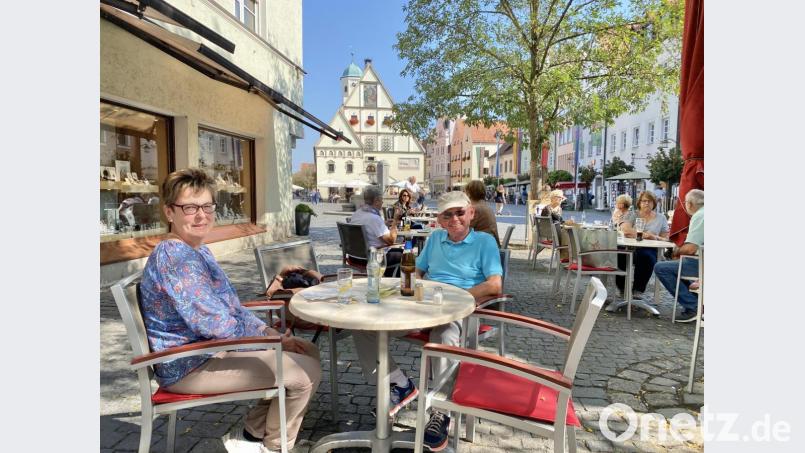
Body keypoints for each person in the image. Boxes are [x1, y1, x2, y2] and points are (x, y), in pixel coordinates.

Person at [139, 168, 321, 453]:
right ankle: (275, 447)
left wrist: (266, 331)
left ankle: (251, 435)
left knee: (306, 352)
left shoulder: (197, 250)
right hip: (189, 363)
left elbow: (231, 309)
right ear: (169, 212)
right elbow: (214, 323)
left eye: (207, 206)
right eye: (189, 207)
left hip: (212, 350)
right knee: (303, 373)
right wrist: (273, 339)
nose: (201, 215)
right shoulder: (175, 257)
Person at [351, 191, 503, 451]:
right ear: (440, 220)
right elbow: (418, 269)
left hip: (459, 312)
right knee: (364, 325)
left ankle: (440, 413)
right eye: (447, 214)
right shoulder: (434, 239)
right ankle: (399, 383)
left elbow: (494, 286)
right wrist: (413, 285)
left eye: (459, 212)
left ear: (471, 214)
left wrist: (454, 298)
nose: (454, 218)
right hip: (423, 307)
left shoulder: (485, 242)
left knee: (444, 336)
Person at [653, 189, 704, 322]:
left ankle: (694, 306)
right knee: (677, 265)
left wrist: (675, 251)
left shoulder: (700, 215)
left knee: (661, 267)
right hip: (701, 260)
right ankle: (697, 304)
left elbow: (691, 248)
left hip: (701, 263)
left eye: (685, 202)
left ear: (690, 204)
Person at [615, 191, 670, 299]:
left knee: (647, 257)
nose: (646, 203)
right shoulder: (633, 214)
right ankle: (622, 288)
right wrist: (646, 235)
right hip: (629, 247)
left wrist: (654, 237)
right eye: (644, 201)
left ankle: (638, 290)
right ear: (639, 203)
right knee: (619, 254)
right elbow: (626, 229)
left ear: (654, 203)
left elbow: (665, 237)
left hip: (649, 249)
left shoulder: (661, 218)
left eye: (649, 201)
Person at [350, 185, 401, 276]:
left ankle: (385, 280)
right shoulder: (374, 218)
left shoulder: (357, 214)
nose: (382, 202)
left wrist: (383, 224)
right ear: (376, 200)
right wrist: (395, 222)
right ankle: (392, 283)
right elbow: (391, 240)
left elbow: (368, 227)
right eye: (381, 199)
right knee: (405, 255)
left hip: (354, 256)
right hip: (371, 258)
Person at [464, 180, 501, 246]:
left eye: (465, 192)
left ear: (469, 193)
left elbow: (465, 230)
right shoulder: (483, 205)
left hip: (484, 248)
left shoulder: (475, 208)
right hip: (490, 244)